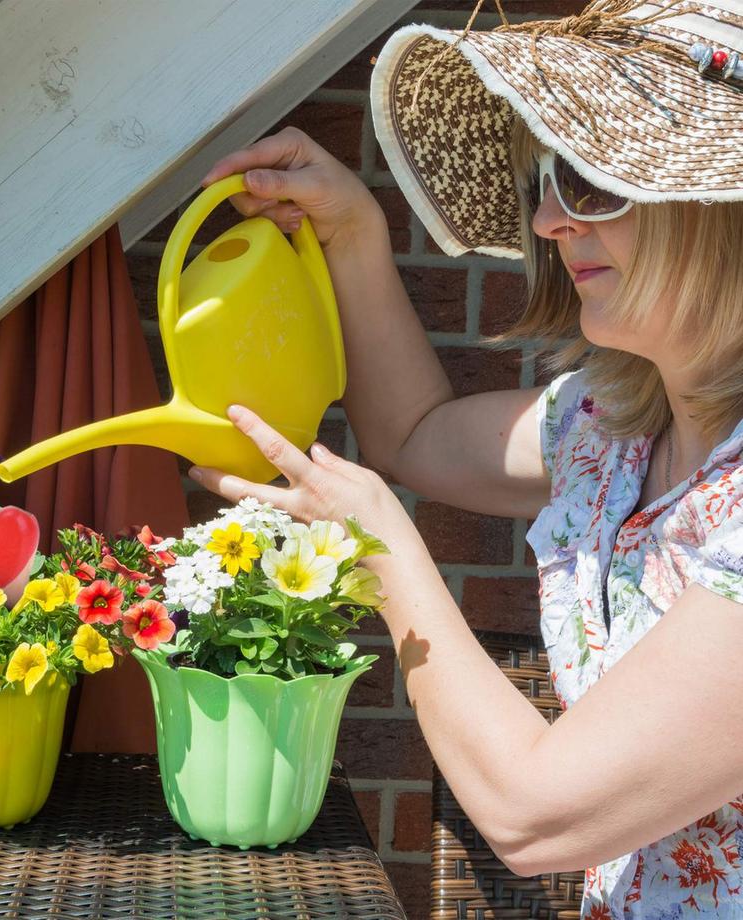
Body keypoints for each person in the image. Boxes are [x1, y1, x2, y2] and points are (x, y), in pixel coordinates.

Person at [191, 0, 743, 916]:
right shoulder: (610, 429)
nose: (552, 220)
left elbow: (536, 820)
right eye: (548, 179)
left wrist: (384, 553)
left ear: (718, 211)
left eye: (593, 182)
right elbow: (416, 436)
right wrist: (351, 233)